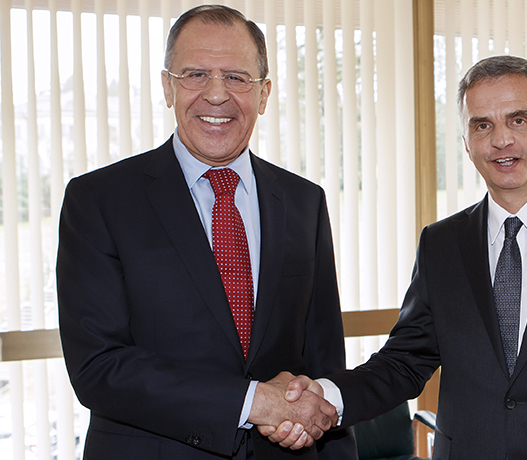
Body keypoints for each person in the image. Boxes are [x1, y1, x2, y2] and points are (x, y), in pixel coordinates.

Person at [264, 55, 527, 459]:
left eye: (518, 120)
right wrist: (327, 395)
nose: (501, 140)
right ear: (466, 143)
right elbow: (404, 361)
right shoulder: (441, 244)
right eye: (482, 125)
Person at [57, 5, 355, 460]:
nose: (216, 95)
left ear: (264, 93)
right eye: (195, 74)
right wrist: (252, 401)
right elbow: (99, 366)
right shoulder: (99, 200)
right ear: (167, 86)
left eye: (237, 78)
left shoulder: (303, 201)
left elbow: (324, 362)